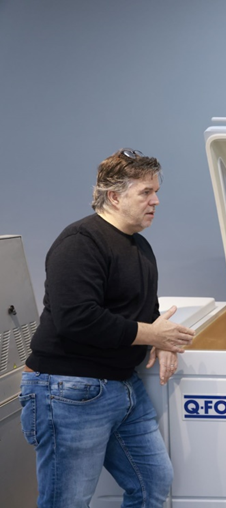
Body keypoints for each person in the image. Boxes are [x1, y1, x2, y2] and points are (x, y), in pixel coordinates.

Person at [19, 148, 195, 508]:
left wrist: (162, 341)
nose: (156, 201)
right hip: (69, 389)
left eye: (156, 191)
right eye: (146, 192)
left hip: (123, 388)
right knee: (66, 501)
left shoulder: (139, 246)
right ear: (114, 196)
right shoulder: (80, 242)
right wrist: (153, 335)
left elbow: (144, 311)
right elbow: (78, 318)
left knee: (152, 483)